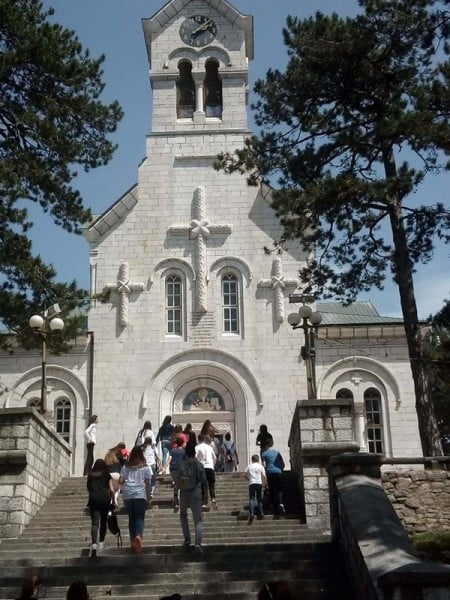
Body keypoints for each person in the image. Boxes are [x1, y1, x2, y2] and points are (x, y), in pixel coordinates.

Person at [119, 445, 152, 553]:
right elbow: (148, 484)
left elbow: (121, 481)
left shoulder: (125, 467)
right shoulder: (146, 467)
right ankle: (138, 536)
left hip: (128, 494)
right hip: (140, 494)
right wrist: (149, 498)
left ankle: (132, 540)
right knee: (139, 517)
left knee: (131, 518)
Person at [177, 442, 207, 554]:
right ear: (194, 452)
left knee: (183, 515)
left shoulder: (181, 464)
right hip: (196, 493)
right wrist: (206, 495)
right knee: (197, 519)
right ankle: (197, 543)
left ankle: (187, 539)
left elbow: (177, 480)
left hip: (184, 493)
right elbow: (204, 481)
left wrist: (175, 494)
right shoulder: (198, 464)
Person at [86, 458, 115, 557]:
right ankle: (101, 542)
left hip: (93, 500)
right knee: (103, 521)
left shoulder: (90, 475)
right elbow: (111, 489)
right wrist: (113, 500)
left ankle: (94, 544)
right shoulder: (106, 474)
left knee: (95, 523)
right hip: (104, 499)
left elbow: (88, 488)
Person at [261, 439, 286, 516]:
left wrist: (265, 474)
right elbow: (283, 463)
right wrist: (281, 469)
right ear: (272, 444)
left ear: (266, 445)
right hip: (278, 472)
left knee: (272, 489)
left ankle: (273, 504)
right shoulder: (277, 452)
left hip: (270, 473)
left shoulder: (264, 454)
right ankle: (281, 503)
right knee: (279, 489)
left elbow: (264, 465)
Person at [195, 434, 217, 509]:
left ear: (198, 440)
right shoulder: (209, 447)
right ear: (204, 439)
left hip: (202, 467)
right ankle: (213, 498)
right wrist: (213, 465)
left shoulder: (197, 447)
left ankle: (204, 502)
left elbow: (195, 457)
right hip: (210, 467)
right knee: (211, 484)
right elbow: (215, 458)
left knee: (203, 485)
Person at [165, 436, 185, 510]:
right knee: (180, 485)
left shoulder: (173, 450)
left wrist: (164, 467)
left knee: (176, 484)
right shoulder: (184, 451)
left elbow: (169, 459)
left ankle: (175, 499)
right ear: (182, 443)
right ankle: (178, 501)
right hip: (181, 470)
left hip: (173, 469)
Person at [245, 454, 266, 522]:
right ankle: (261, 512)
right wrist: (265, 483)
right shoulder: (260, 466)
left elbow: (245, 474)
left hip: (252, 483)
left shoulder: (249, 466)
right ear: (258, 459)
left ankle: (252, 513)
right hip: (259, 483)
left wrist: (248, 479)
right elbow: (264, 475)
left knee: (252, 498)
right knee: (259, 498)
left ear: (252, 459)